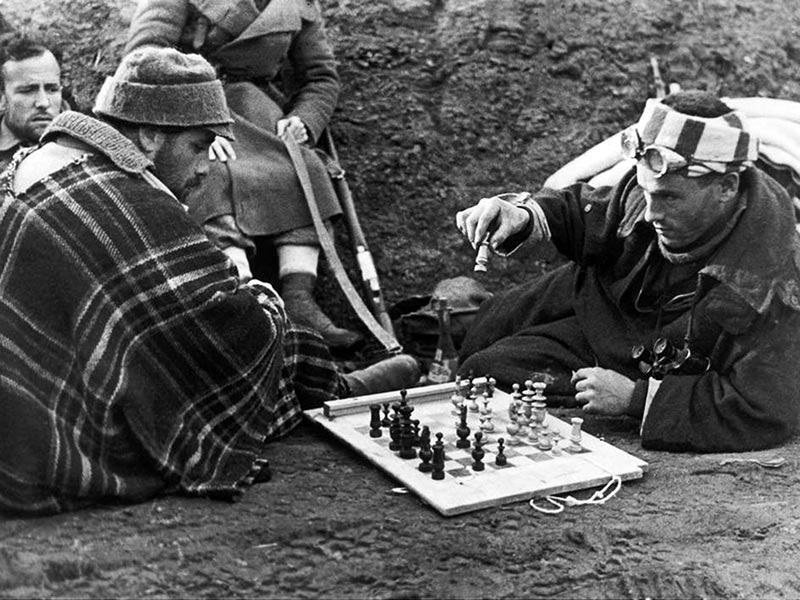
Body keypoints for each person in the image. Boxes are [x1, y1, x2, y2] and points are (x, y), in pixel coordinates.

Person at [0, 46, 419, 515]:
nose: (205, 167)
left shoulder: (47, 159)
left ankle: (340, 386)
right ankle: (337, 391)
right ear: (153, 137)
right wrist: (261, 298)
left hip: (23, 405)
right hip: (53, 435)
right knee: (256, 345)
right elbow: (230, 330)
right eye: (199, 146)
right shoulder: (131, 200)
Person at [455, 90, 800, 453]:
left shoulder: (775, 283)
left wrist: (636, 399)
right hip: (602, 314)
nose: (650, 214)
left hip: (657, 372)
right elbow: (587, 211)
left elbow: (762, 409)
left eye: (669, 198)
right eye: (647, 192)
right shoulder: (651, 186)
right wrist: (523, 216)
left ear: (726, 188)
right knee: (482, 353)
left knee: (492, 382)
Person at [123, 0, 363, 350]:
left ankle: (300, 302)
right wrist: (196, 122)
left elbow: (321, 76)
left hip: (261, 111)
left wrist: (304, 120)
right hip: (195, 110)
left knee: (307, 168)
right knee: (210, 175)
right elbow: (144, 60)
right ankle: (244, 303)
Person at [0, 34, 65, 171]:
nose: (43, 102)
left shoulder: (84, 146)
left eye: (52, 89)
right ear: (2, 97)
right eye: (28, 90)